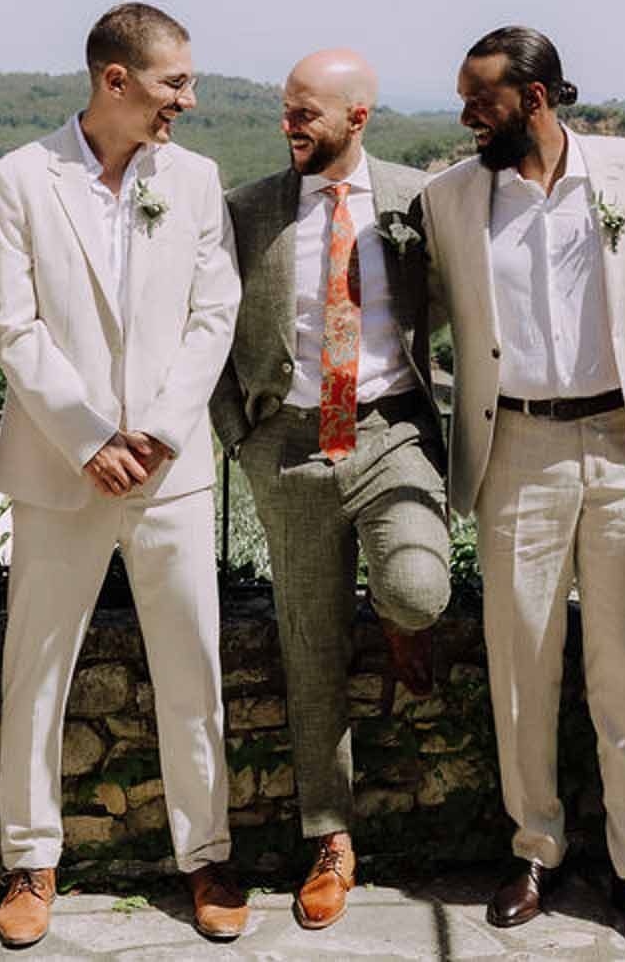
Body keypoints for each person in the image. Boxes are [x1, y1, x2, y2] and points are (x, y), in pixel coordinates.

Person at [0, 1, 247, 947]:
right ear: (115, 81)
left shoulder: (198, 178)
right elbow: (10, 325)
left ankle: (206, 856)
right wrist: (90, 437)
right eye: (175, 81)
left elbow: (213, 312)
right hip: (62, 470)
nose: (189, 98)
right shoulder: (17, 179)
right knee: (36, 671)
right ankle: (29, 860)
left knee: (194, 668)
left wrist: (165, 433)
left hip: (170, 474)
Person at [420, 26, 625, 955]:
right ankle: (535, 847)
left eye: (478, 102)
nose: (464, 118)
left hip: (619, 442)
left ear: (535, 98)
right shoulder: (448, 198)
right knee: (520, 658)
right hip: (514, 444)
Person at [209, 49, 453, 930]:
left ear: (359, 117)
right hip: (291, 449)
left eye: (306, 112)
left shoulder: (421, 201)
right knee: (309, 646)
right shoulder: (245, 211)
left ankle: (400, 617)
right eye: (284, 109)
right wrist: (242, 441)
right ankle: (331, 838)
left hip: (390, 433)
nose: (289, 125)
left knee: (421, 584)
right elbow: (203, 330)